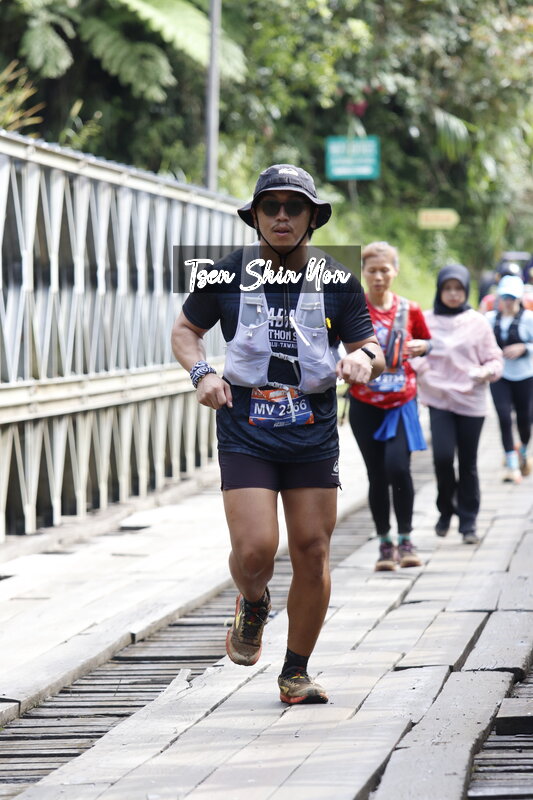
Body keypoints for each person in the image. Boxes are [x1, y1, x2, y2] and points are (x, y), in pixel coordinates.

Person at [171, 164, 384, 705]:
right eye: (272, 207)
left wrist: (363, 361)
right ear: (256, 216)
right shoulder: (224, 274)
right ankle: (254, 601)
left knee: (312, 549)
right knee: (255, 551)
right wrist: (203, 374)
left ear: (313, 217)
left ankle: (295, 672)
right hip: (246, 428)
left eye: (294, 207)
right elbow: (185, 331)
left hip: (312, 430)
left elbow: (370, 347)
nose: (282, 216)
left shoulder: (338, 280)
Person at [348, 241, 432, 571]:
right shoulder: (353, 309)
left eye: (385, 270)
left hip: (402, 403)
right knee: (376, 474)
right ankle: (385, 544)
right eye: (372, 270)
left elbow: (428, 342)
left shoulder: (410, 309)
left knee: (398, 467)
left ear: (395, 271)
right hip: (364, 403)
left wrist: (423, 346)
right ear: (364, 273)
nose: (379, 276)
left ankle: (406, 539)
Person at [412, 264, 503, 544]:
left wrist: (485, 372)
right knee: (442, 458)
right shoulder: (425, 319)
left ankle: (468, 523)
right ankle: (445, 510)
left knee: (468, 463)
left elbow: (495, 359)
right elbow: (411, 352)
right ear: (439, 290)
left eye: (458, 288)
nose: (453, 294)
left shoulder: (478, 322)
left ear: (466, 291)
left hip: (471, 401)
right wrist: (424, 370)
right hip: (438, 399)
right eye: (447, 288)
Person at [486, 275, 533, 483]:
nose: (508, 302)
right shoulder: (489, 319)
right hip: (500, 376)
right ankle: (512, 464)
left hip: (525, 375)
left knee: (524, 419)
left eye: (512, 298)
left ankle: (523, 450)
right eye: (504, 297)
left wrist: (525, 348)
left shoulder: (529, 319)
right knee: (504, 417)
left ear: (519, 298)